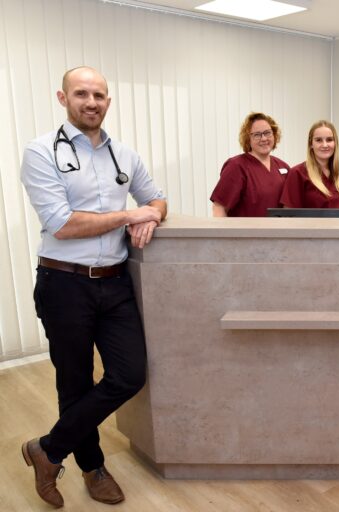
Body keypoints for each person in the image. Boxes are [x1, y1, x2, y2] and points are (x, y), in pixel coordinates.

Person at [19, 66, 167, 507]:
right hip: (64, 284)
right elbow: (62, 224)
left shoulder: (123, 154)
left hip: (115, 283)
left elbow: (155, 197)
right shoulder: (42, 151)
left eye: (99, 95)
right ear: (63, 98)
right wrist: (130, 215)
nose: (91, 102)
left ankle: (47, 449)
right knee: (75, 383)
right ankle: (92, 467)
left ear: (108, 101)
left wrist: (153, 215)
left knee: (130, 374)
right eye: (81, 94)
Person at [210, 112, 290, 216]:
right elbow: (219, 207)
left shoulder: (283, 167)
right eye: (257, 135)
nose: (264, 138)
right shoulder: (236, 166)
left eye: (267, 133)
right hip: (246, 227)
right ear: (248, 139)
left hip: (278, 227)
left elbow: (289, 208)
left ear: (274, 135)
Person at [280, 120, 339, 208]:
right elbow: (288, 212)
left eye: (329, 140)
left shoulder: (337, 177)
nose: (325, 145)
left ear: (335, 143)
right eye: (319, 140)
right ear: (311, 144)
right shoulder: (298, 173)